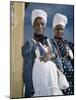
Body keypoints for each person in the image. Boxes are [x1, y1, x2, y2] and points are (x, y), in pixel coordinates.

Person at [21, 10, 68, 98]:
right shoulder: (30, 45)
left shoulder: (51, 42)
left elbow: (60, 66)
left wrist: (52, 56)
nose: (40, 26)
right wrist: (30, 92)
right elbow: (27, 71)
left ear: (45, 26)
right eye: (37, 24)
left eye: (42, 24)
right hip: (39, 90)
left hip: (54, 87)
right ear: (32, 26)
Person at [51, 13, 74, 95]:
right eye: (57, 29)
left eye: (61, 29)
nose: (59, 31)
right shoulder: (50, 43)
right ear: (53, 29)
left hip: (71, 79)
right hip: (57, 78)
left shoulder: (69, 44)